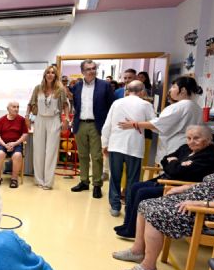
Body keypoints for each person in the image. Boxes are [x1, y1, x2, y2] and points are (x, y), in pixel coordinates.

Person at [112, 165, 214, 270]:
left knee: (156, 214)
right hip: (192, 200)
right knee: (145, 204)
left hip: (206, 212)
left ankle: (148, 268)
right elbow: (210, 184)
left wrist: (203, 204)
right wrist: (184, 188)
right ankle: (137, 251)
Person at [114, 125, 214, 238]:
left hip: (180, 187)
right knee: (135, 186)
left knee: (143, 192)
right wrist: (177, 165)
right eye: (189, 138)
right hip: (167, 180)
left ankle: (133, 231)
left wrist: (174, 163)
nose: (191, 142)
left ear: (207, 139)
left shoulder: (209, 156)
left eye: (196, 138)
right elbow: (165, 159)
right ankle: (128, 225)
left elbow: (178, 172)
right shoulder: (185, 148)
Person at [118, 76, 204, 163]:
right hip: (188, 145)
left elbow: (159, 124)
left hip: (176, 147)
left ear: (183, 90)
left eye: (174, 87)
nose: (170, 90)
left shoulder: (179, 107)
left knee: (171, 172)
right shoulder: (196, 107)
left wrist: (135, 124)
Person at [101, 81, 155, 217]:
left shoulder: (117, 103)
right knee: (133, 179)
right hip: (134, 147)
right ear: (142, 91)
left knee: (115, 178)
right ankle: (129, 208)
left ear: (126, 90)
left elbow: (107, 125)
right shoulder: (146, 105)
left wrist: (104, 144)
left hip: (116, 145)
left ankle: (114, 206)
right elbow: (154, 124)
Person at [71, 59, 116, 198]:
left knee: (96, 156)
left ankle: (97, 185)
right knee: (82, 155)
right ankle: (84, 181)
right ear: (82, 72)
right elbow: (76, 105)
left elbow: (111, 106)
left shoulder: (104, 86)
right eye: (88, 69)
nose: (92, 71)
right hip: (80, 124)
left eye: (93, 68)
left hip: (97, 124)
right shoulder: (77, 86)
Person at [26, 65, 70, 189]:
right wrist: (26, 116)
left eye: (52, 73)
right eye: (48, 72)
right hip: (39, 120)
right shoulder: (38, 89)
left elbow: (65, 105)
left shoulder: (60, 90)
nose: (50, 74)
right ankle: (39, 180)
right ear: (45, 75)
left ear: (55, 76)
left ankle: (48, 182)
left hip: (54, 120)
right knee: (38, 150)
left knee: (51, 151)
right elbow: (30, 103)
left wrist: (66, 119)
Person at [0, 101, 28, 188]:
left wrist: (15, 143)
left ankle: (14, 179)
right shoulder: (1, 120)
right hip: (2, 144)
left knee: (17, 155)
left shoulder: (21, 120)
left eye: (18, 107)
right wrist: (5, 145)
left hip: (16, 144)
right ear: (8, 109)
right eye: (14, 107)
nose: (16, 109)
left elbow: (25, 134)